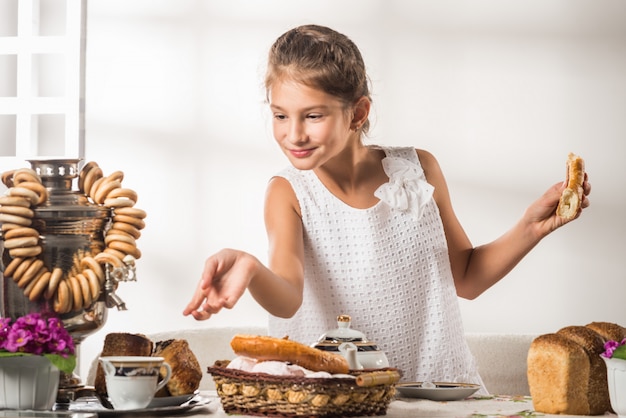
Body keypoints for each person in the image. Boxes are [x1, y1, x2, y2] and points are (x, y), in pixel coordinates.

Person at [183, 24, 591, 391]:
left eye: (312, 115)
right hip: (343, 402)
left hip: (437, 391)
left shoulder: (418, 167)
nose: (294, 133)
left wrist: (532, 227)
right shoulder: (288, 192)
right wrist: (251, 267)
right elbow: (289, 297)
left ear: (358, 112)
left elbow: (466, 278)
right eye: (279, 115)